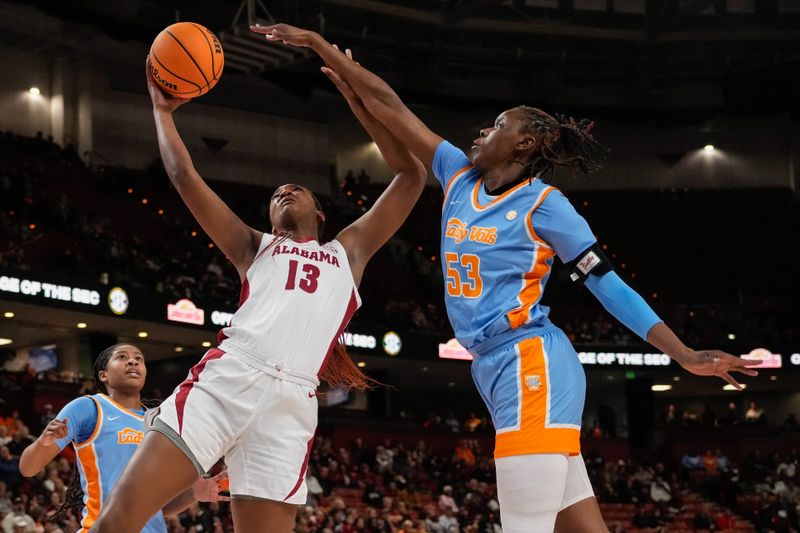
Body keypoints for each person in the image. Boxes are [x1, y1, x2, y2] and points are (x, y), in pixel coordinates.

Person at [250, 23, 761, 533]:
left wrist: (683, 353)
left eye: (496, 126)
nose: (480, 132)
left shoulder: (546, 206)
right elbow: (392, 108)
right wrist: (337, 65)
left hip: (531, 362)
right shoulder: (457, 174)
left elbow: (608, 284)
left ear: (524, 145)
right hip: (494, 368)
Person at [88, 58, 425, 533]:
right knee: (119, 520)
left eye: (297, 189)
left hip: (293, 402)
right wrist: (162, 112)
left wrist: (359, 101)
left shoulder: (349, 252)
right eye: (276, 194)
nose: (285, 191)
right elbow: (186, 179)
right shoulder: (255, 246)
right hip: (230, 378)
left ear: (321, 213)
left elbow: (410, 176)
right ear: (270, 219)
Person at [18, 344, 226, 533]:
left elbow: (154, 507)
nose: (133, 361)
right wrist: (42, 444)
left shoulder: (160, 418)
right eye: (122, 357)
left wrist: (192, 494)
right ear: (104, 375)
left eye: (139, 358)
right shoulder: (89, 407)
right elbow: (28, 468)